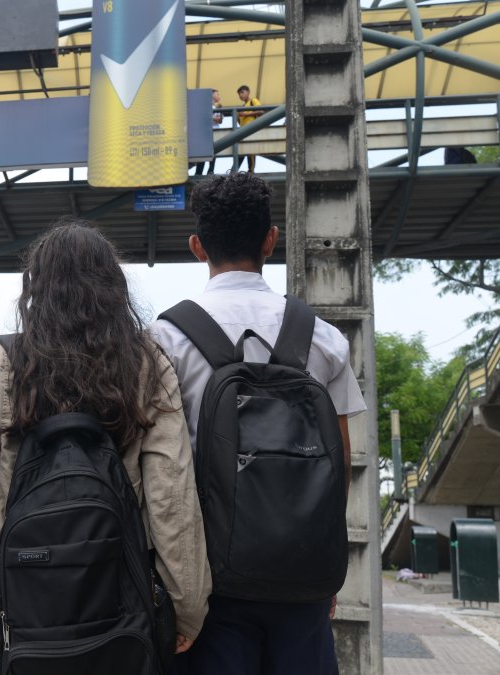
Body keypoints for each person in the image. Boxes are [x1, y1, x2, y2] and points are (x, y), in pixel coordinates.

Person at [0, 220, 212, 670]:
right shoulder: (145, 367)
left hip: (12, 603)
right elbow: (171, 493)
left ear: (35, 290)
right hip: (122, 602)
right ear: (114, 291)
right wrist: (186, 605)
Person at [149, 172, 366, 675]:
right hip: (302, 575)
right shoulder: (324, 338)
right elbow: (342, 462)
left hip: (207, 582)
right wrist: (324, 569)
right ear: (271, 239)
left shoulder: (163, 338)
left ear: (198, 247)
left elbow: (157, 469)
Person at [193, 89, 224, 176]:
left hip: (215, 132)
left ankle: (210, 171)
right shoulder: (204, 106)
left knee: (214, 152)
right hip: (205, 133)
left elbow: (220, 120)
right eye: (217, 94)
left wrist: (218, 112)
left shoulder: (217, 107)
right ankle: (199, 172)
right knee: (203, 153)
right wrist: (213, 117)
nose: (219, 96)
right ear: (212, 96)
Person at [234, 85, 262, 174]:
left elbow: (261, 111)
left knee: (250, 151)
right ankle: (235, 170)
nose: (241, 95)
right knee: (242, 151)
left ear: (248, 92)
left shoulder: (253, 101)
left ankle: (251, 171)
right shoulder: (242, 106)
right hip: (243, 131)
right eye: (239, 94)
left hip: (251, 130)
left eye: (242, 92)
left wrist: (245, 114)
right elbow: (239, 120)